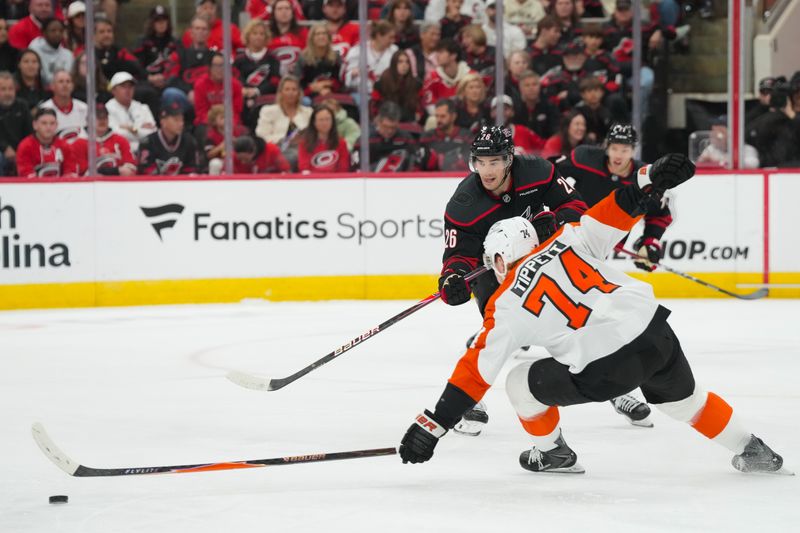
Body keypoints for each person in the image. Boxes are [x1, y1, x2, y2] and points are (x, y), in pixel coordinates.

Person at [399, 153, 790, 477]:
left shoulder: (506, 304)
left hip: (607, 368)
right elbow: (619, 207)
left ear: (499, 258)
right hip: (655, 332)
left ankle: (552, 454)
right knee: (688, 401)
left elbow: (476, 371)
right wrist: (651, 178)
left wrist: (433, 425)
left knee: (519, 383)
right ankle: (752, 449)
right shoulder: (573, 237)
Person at [436, 125, 595, 435]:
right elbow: (457, 256)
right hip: (493, 271)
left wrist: (556, 221)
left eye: (494, 161)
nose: (486, 170)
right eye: (480, 162)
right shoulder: (463, 204)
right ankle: (467, 399)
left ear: (509, 159)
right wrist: (453, 280)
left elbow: (577, 208)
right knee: (496, 335)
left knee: (580, 322)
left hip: (541, 260)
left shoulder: (538, 171)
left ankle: (620, 388)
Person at [556, 123, 672, 273]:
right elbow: (551, 173)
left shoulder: (644, 178)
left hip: (605, 245)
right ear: (607, 147)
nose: (618, 155)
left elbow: (660, 215)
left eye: (625, 150)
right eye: (614, 148)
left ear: (633, 151)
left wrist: (650, 241)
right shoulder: (586, 159)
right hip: (573, 233)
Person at [138, 102, 204, 175]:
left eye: (182, 119)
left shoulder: (189, 141)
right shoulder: (148, 142)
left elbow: (193, 168)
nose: (181, 123)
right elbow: (145, 169)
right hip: (155, 185)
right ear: (163, 122)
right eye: (176, 120)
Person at [72, 102, 137, 176]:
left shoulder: (120, 140)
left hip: (119, 184)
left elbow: (131, 167)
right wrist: (115, 171)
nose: (102, 120)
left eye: (105, 117)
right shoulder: (79, 143)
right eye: (98, 117)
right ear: (87, 120)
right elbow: (83, 172)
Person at [16, 107, 78, 177]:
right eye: (44, 123)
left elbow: (71, 172)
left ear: (57, 125)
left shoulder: (65, 146)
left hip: (60, 186)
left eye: (52, 123)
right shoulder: (25, 146)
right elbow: (26, 174)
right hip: (34, 187)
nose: (48, 127)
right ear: (35, 125)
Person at [105, 71, 157, 155]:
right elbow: (114, 135)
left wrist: (132, 129)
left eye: (130, 87)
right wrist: (140, 129)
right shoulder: (107, 109)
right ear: (113, 90)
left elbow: (152, 134)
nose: (128, 90)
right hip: (120, 153)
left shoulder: (143, 108)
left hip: (143, 153)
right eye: (123, 87)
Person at [418, 98, 471, 171]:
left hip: (458, 178)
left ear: (453, 116)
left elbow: (471, 161)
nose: (439, 120)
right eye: (437, 116)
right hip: (432, 179)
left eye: (443, 116)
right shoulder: (427, 137)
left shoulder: (466, 136)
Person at [371, 49, 422, 123]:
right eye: (400, 62)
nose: (404, 65)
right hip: (386, 119)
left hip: (409, 120)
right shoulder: (382, 83)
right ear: (394, 64)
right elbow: (375, 106)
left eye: (407, 62)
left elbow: (419, 108)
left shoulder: (416, 84)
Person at [297, 104, 351, 172]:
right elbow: (303, 167)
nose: (325, 123)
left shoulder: (341, 143)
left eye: (327, 119)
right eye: (321, 120)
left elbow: (344, 168)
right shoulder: (305, 143)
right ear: (314, 122)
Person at [39, 70, 88, 143]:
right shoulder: (44, 109)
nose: (65, 85)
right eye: (61, 81)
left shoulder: (84, 108)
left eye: (68, 81)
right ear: (52, 86)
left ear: (73, 86)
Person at [0, 71, 33, 175]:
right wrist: (5, 148)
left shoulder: (22, 106)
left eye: (10, 89)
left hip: (21, 148)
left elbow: (29, 132)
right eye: (3, 89)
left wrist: (21, 150)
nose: (7, 93)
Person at [512, 70, 560, 141]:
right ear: (520, 88)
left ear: (539, 86)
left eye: (534, 84)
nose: (531, 88)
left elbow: (555, 132)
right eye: (527, 85)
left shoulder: (550, 107)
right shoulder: (515, 109)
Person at [27, 18, 73, 87]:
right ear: (44, 32)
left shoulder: (68, 55)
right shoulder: (34, 49)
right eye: (53, 31)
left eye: (60, 31)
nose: (57, 33)